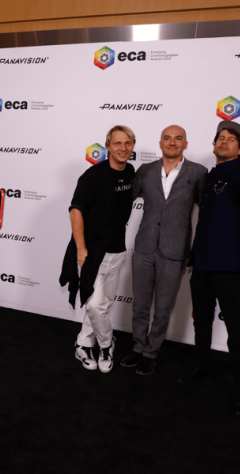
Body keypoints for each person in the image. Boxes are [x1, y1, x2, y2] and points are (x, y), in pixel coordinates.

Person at [120, 125, 207, 375]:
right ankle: (137, 348)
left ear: (185, 144)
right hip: (145, 246)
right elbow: (123, 202)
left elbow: (207, 214)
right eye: (167, 138)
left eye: (178, 139)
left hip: (175, 249)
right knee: (140, 304)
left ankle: (151, 352)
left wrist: (198, 249)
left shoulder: (199, 172)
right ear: (160, 143)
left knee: (164, 307)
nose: (172, 142)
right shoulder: (145, 170)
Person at [175, 121, 240, 417]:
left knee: (236, 332)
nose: (224, 142)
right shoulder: (209, 176)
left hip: (232, 269)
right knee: (201, 322)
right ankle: (202, 364)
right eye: (220, 138)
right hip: (201, 264)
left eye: (231, 139)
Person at [60, 125, 136, 373]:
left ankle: (82, 344)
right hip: (93, 252)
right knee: (94, 305)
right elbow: (75, 210)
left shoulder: (131, 172)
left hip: (119, 252)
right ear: (108, 146)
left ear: (132, 146)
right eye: (117, 143)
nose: (123, 148)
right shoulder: (92, 176)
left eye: (127, 143)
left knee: (103, 304)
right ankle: (106, 345)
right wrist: (81, 249)